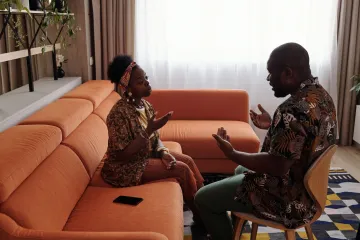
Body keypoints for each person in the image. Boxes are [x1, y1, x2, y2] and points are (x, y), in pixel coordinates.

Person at [195, 43, 337, 240]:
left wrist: (232, 153)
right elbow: (303, 138)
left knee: (203, 198)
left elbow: (277, 166)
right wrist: (274, 125)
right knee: (239, 171)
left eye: (272, 73)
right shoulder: (321, 96)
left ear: (288, 73)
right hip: (311, 192)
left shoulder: (292, 109)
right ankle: (237, 230)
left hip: (289, 200)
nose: (269, 79)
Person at [101, 55, 204, 223]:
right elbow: (121, 156)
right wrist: (148, 130)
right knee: (182, 169)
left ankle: (204, 201)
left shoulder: (145, 106)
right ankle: (201, 216)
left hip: (144, 156)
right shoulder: (118, 114)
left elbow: (155, 139)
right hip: (125, 168)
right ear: (127, 88)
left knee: (188, 160)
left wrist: (163, 152)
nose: (147, 83)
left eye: (146, 78)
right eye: (140, 82)